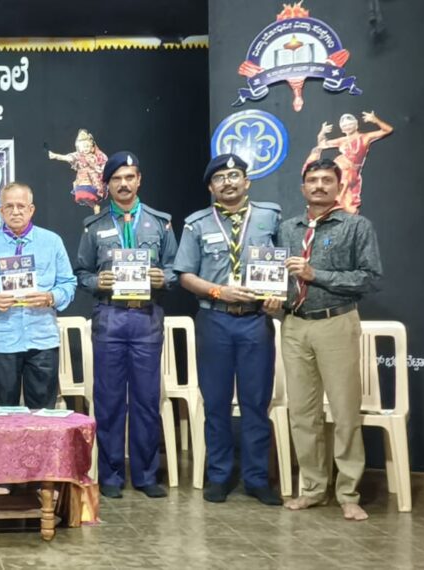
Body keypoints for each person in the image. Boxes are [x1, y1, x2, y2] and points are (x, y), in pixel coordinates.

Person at [263, 158, 382, 521]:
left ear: (338, 186)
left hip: (336, 322)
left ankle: (347, 492)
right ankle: (313, 488)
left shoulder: (356, 226)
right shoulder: (287, 229)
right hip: (294, 325)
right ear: (303, 188)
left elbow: (369, 278)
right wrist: (274, 300)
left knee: (345, 412)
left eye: (326, 180)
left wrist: (317, 274)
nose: (318, 186)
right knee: (302, 413)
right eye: (312, 180)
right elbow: (278, 276)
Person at [173, 154, 282, 506]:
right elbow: (185, 275)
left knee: (255, 402)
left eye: (234, 175)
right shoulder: (196, 224)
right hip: (215, 319)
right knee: (217, 403)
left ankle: (256, 478)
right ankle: (219, 475)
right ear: (211, 187)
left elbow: (285, 265)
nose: (228, 182)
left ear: (246, 181)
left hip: (255, 321)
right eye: (219, 178)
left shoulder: (270, 218)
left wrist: (277, 297)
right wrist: (219, 291)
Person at [73, 151, 176, 499]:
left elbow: (176, 268)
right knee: (110, 400)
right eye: (116, 179)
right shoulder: (94, 226)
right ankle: (112, 475)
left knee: (147, 399)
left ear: (139, 180)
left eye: (129, 177)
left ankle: (146, 475)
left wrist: (164, 277)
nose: (123, 184)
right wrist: (95, 281)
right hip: (111, 317)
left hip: (146, 316)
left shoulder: (161, 223)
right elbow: (81, 272)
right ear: (107, 185)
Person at [0, 182, 76, 410]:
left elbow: (68, 283)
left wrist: (50, 297)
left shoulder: (52, 242)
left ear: (31, 209)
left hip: (42, 339)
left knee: (43, 414)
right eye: (9, 206)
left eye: (21, 206)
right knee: (5, 412)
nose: (15, 212)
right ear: (0, 211)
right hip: (2, 340)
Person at [314, 112, 393, 214]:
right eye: (344, 126)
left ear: (356, 125)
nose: (347, 127)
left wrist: (375, 120)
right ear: (342, 129)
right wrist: (322, 133)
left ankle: (338, 200)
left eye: (350, 124)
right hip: (340, 170)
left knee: (346, 190)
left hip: (352, 173)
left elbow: (388, 130)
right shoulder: (341, 140)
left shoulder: (365, 137)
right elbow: (321, 144)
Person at [47, 129, 109, 212]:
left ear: (91, 147)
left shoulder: (94, 157)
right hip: (81, 179)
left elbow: (101, 165)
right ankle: (94, 206)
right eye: (83, 146)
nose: (85, 149)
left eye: (87, 146)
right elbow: (67, 158)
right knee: (81, 195)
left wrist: (99, 169)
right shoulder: (78, 156)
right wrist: (55, 156)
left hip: (91, 179)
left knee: (88, 194)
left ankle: (95, 206)